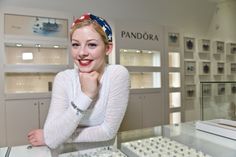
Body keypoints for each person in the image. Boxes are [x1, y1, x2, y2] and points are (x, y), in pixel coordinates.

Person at [27, 13, 130, 149]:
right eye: (76, 45)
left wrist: (56, 136)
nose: (81, 52)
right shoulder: (63, 78)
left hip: (104, 151)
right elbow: (52, 138)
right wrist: (86, 95)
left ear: (108, 48)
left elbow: (108, 132)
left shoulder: (117, 74)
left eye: (91, 45)